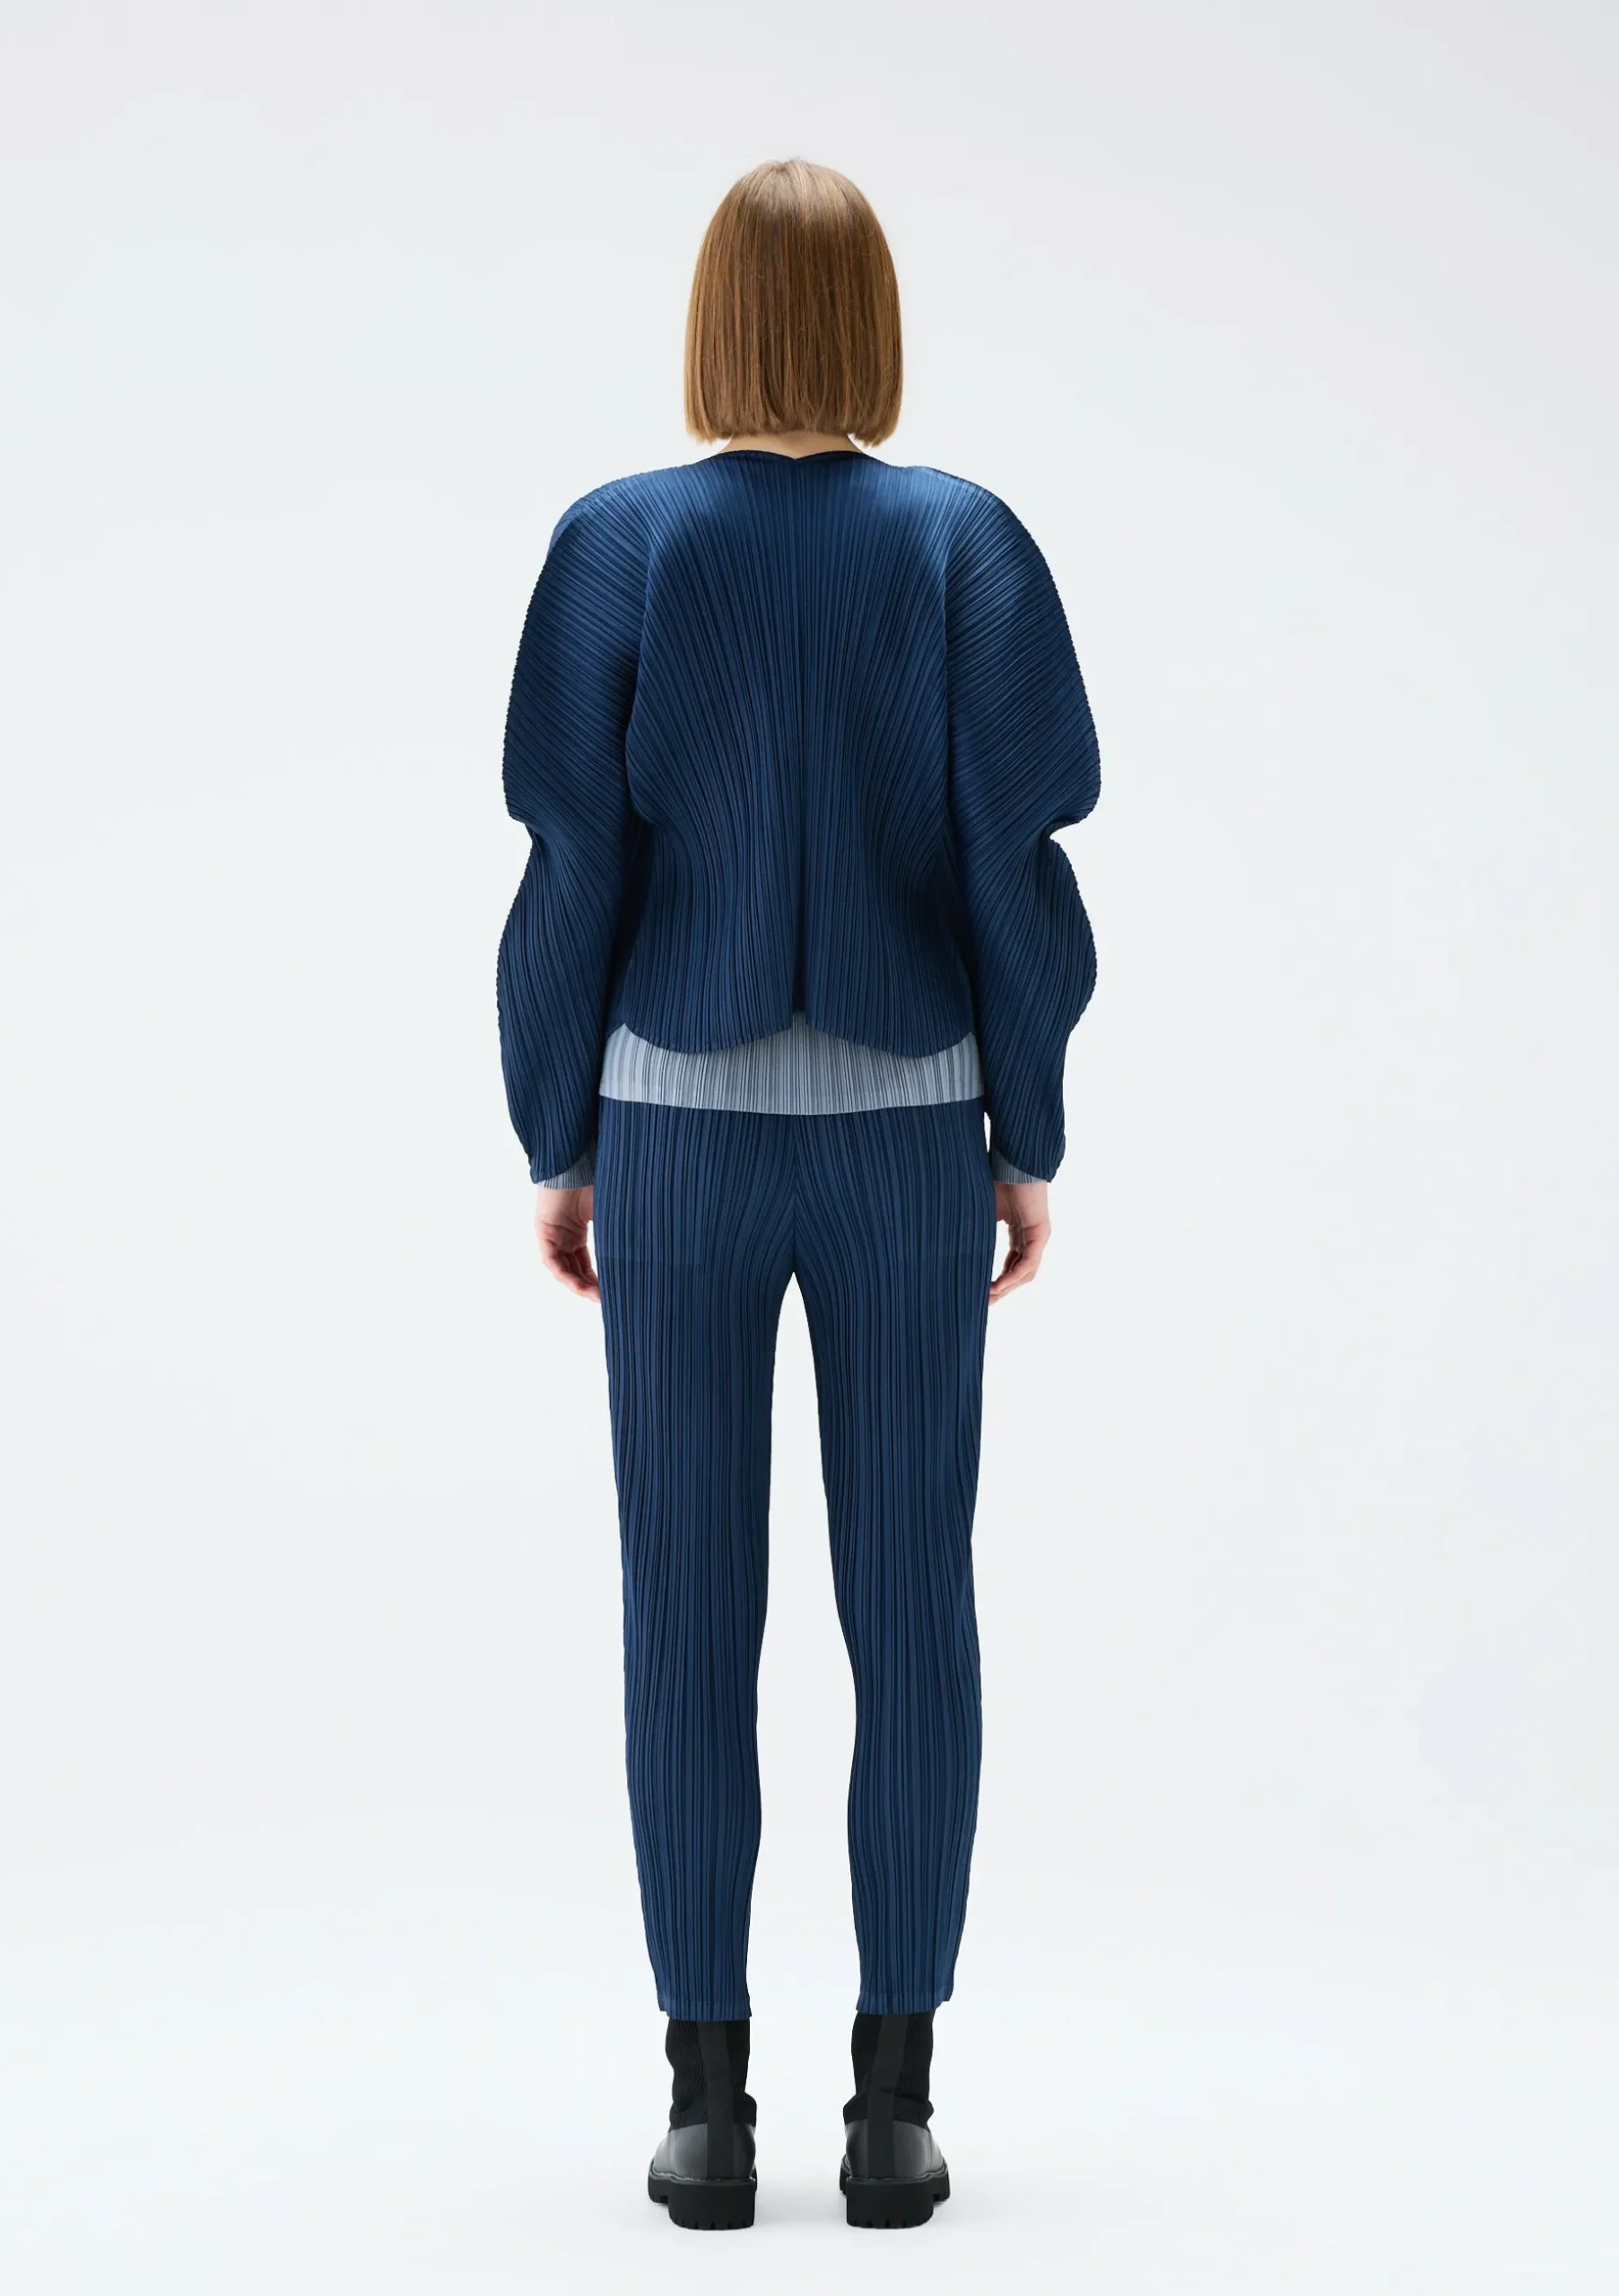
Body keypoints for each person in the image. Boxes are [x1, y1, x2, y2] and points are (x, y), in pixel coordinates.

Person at [496, 157, 1100, 2231]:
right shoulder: (959, 540)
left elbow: (570, 859)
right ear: (871, 320)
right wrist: (1025, 1131)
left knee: (686, 1603)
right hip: (908, 1130)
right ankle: (893, 2108)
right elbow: (1016, 860)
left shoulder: (617, 540)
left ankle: (702, 2109)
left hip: (669, 1123)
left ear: (708, 316)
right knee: (910, 1603)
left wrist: (556, 1136)